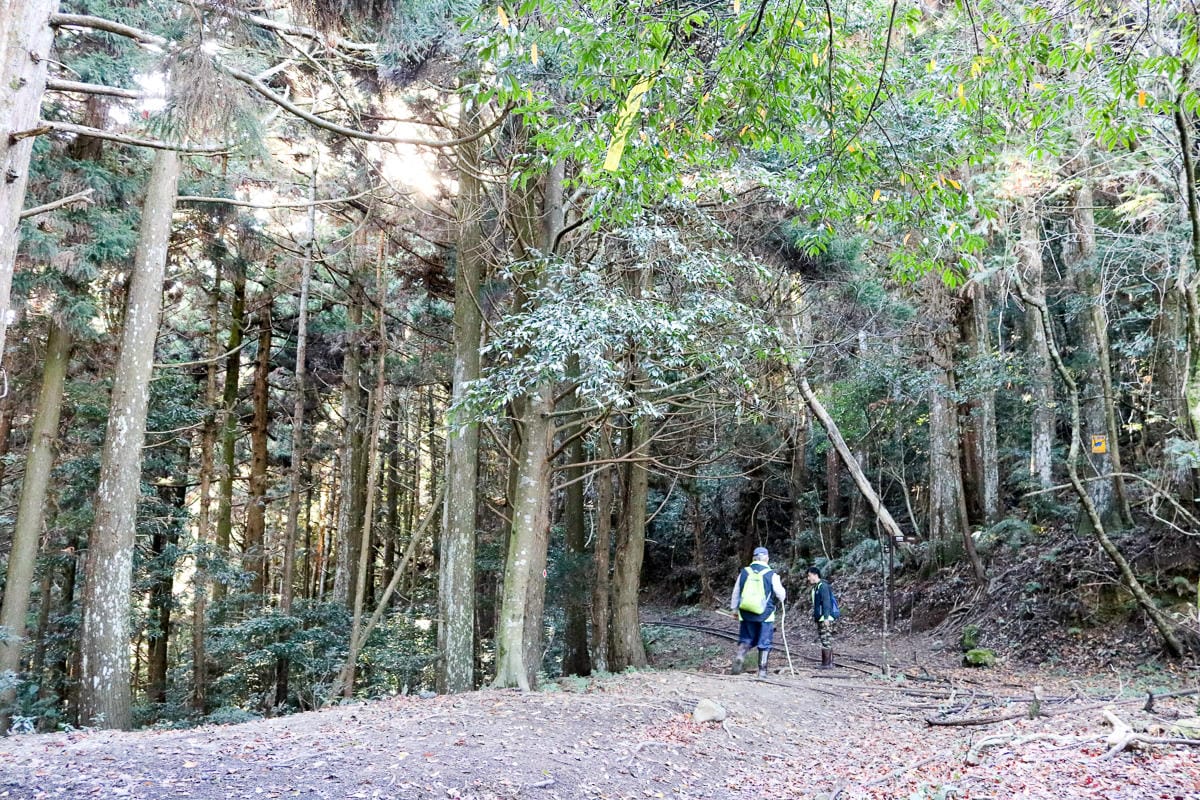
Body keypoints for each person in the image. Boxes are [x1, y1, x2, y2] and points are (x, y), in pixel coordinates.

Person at [730, 546, 786, 678]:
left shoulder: (744, 572)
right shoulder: (771, 574)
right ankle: (762, 671)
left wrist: (734, 609)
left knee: (746, 638)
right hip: (765, 615)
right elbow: (781, 594)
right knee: (764, 641)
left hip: (746, 613)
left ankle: (740, 655)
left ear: (754, 558)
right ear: (766, 558)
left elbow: (736, 592)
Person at [807, 566, 835, 669]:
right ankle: (828, 662)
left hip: (825, 617)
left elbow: (826, 602)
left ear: (815, 575)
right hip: (820, 617)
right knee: (824, 639)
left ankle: (827, 663)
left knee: (826, 638)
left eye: (809, 576)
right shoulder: (817, 587)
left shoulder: (823, 586)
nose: (808, 578)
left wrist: (826, 617)